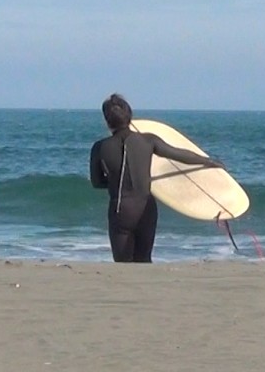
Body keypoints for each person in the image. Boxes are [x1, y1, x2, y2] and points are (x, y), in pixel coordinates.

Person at [90, 94, 225, 263]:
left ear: (106, 121)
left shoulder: (99, 147)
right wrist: (209, 161)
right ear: (130, 116)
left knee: (123, 264)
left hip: (121, 209)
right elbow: (179, 154)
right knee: (144, 260)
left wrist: (115, 183)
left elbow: (96, 182)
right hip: (146, 208)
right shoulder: (148, 140)